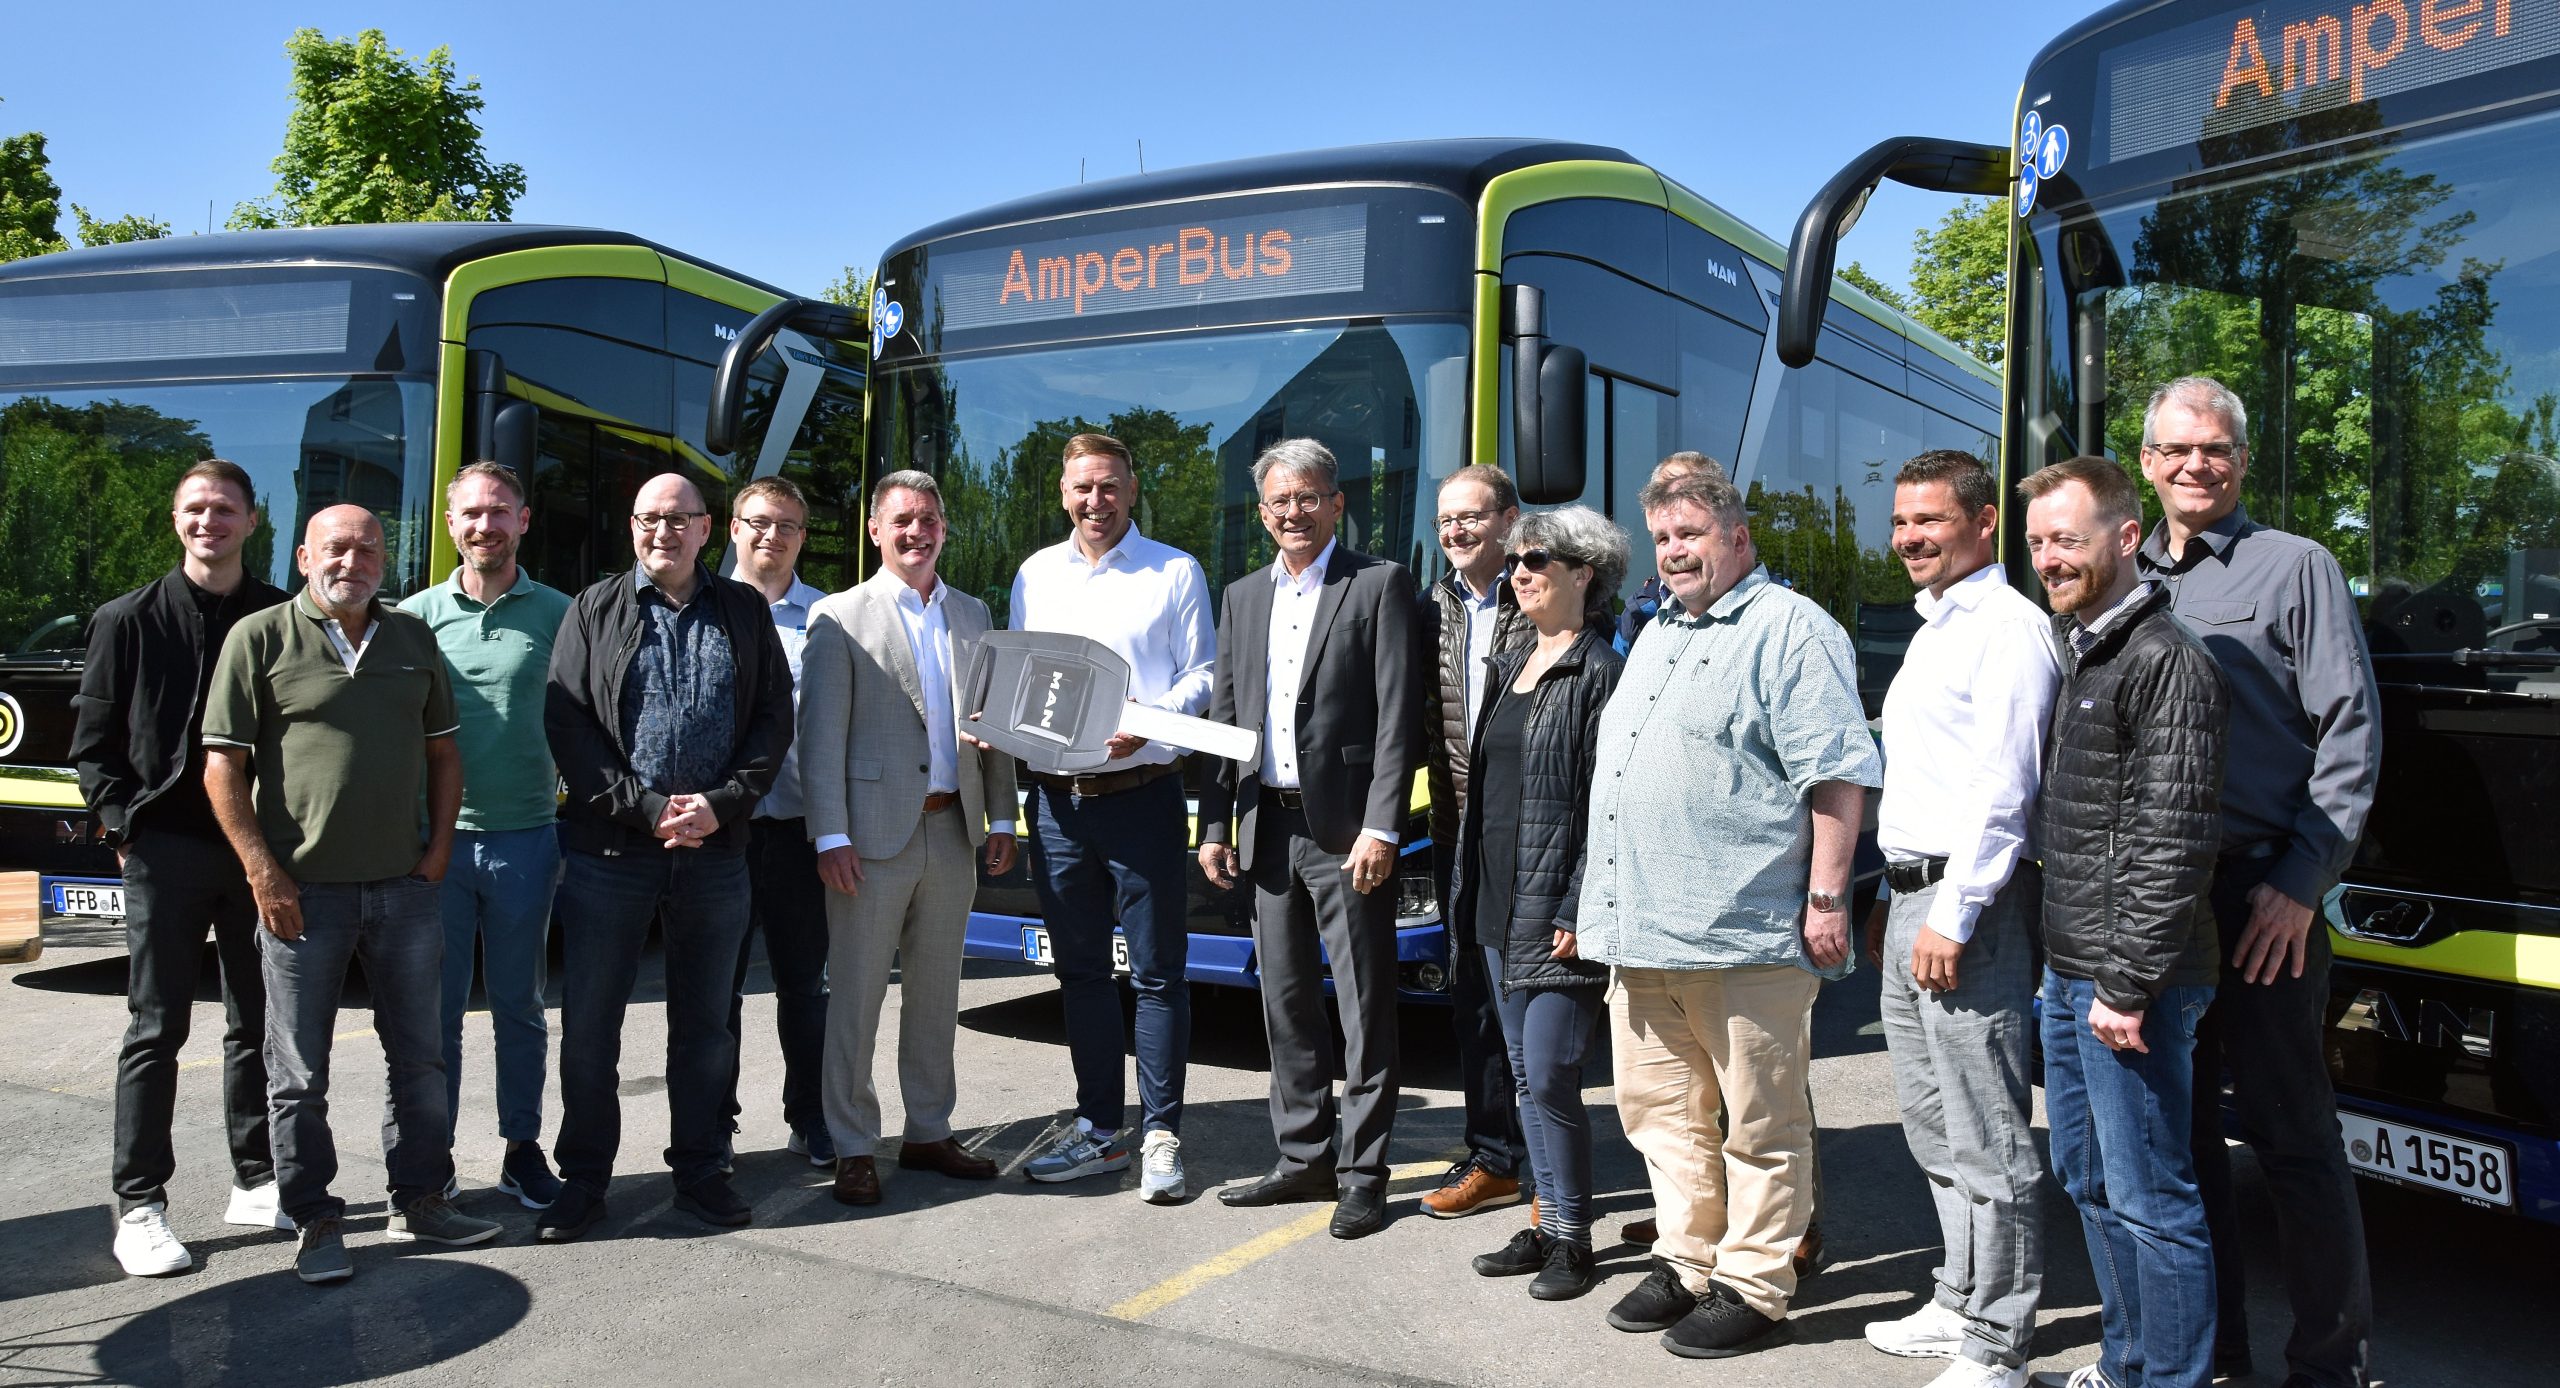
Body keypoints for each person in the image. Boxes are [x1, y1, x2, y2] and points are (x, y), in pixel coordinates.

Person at [1578, 459, 1880, 1360]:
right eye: (1664, 539)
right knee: (1661, 1115)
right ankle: (1689, 1257)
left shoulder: (1792, 631)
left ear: (1738, 539)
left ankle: (1755, 1280)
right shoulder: (1661, 632)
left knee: (1761, 1121)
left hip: (1743, 930)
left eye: (1691, 537)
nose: (1675, 553)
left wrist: (1828, 896)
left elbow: (1837, 774)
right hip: (1643, 930)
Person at [2134, 376, 2380, 1388]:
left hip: (2262, 898)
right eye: (2177, 448)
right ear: (2147, 461)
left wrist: (2298, 881)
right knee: (2181, 1143)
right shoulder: (2119, 570)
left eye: (2216, 446)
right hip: (2159, 905)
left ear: (2242, 457)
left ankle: (2330, 1363)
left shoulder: (2296, 568)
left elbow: (2350, 736)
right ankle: (2214, 1350)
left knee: (2292, 1138)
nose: (2197, 463)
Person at [202, 504, 499, 1284]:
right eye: (336, 547)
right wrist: (263, 872)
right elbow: (222, 768)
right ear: (304, 556)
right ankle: (316, 1217)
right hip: (303, 897)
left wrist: (437, 852)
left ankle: (422, 1199)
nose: (353, 560)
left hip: (404, 890)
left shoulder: (411, 638)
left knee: (421, 1059)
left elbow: (444, 754)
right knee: (299, 1073)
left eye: (369, 547)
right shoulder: (258, 639)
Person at [536, 472, 795, 1242]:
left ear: (706, 530)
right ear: (632, 525)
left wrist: (720, 805)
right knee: (589, 1027)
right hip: (611, 852)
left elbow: (773, 722)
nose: (663, 532)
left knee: (707, 1026)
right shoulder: (595, 608)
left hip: (717, 853)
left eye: (679, 519)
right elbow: (568, 723)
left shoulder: (744, 611)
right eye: (650, 518)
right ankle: (584, 1180)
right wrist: (646, 810)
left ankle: (701, 1170)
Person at [2019, 456, 2227, 1388]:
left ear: (2127, 537)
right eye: (2037, 543)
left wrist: (2126, 984)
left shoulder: (2165, 659)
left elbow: (2171, 839)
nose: (2049, 559)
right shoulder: (2084, 647)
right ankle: (2127, 1359)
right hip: (2072, 973)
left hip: (2129, 983)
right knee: (2090, 1180)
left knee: (2152, 1198)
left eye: (2067, 539)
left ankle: (2170, 1379)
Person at [1860, 452, 2059, 1388]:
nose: (1909, 539)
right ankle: (1959, 1298)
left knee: (1990, 1133)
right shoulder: (1938, 625)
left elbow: (2003, 789)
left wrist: (1953, 911)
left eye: (1930, 521)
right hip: (1911, 896)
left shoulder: (2008, 627)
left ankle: (2000, 1344)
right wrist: (1887, 896)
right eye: (1902, 522)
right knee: (1933, 1123)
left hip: (1964, 905)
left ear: (1984, 523)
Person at [73, 460, 291, 1276]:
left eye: (225, 509)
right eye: (197, 509)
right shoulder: (125, 620)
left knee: (255, 1023)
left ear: (251, 519)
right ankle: (140, 1204)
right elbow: (93, 745)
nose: (211, 522)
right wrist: (125, 829)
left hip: (255, 850)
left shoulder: (278, 616)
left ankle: (256, 1175)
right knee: (156, 1028)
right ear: (175, 519)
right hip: (163, 850)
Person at [1199, 437, 1419, 1241]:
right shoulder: (1242, 596)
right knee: (1285, 1004)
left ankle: (1364, 1174)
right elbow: (1227, 718)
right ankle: (1302, 1161)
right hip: (1267, 831)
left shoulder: (1379, 584)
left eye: (1308, 497)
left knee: (1363, 1009)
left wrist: (1382, 826)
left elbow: (1399, 719)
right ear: (1262, 515)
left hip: (1347, 836)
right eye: (1278, 502)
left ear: (1335, 503)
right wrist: (1215, 824)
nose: (1293, 512)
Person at [800, 470, 1018, 1207]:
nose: (916, 532)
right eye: (901, 520)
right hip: (868, 839)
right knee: (857, 999)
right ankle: (853, 1143)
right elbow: (820, 737)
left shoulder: (972, 612)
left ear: (944, 528)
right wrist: (829, 835)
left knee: (935, 995)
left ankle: (928, 1129)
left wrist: (1004, 816)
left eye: (928, 519)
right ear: (874, 530)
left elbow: (994, 728)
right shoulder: (837, 616)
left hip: (952, 831)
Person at [1009, 434, 1215, 1202]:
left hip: (1143, 797)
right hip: (1057, 807)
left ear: (1131, 491)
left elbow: (1203, 674)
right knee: (1082, 974)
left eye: (1108, 487)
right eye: (1081, 489)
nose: (1094, 501)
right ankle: (1100, 1130)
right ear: (1064, 495)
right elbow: (1025, 681)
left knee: (1160, 976)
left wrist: (1151, 720)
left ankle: (1161, 1135)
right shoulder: (1034, 575)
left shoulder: (1174, 570)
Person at [1448, 505, 1625, 1299]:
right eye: (1516, 559)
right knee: (1523, 1076)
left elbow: (1607, 803)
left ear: (1583, 573)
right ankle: (1545, 1220)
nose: (1519, 571)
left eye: (1538, 560)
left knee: (1551, 1077)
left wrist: (1580, 905)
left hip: (1554, 906)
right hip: (1493, 894)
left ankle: (1573, 1243)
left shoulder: (1599, 671)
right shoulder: (1515, 652)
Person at [397, 462, 572, 1211]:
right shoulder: (412, 618)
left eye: (499, 512)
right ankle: (431, 1161)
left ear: (523, 521)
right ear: (449, 524)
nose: (485, 526)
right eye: (471, 513)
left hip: (528, 837)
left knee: (520, 1006)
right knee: (433, 1017)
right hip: (434, 846)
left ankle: (521, 1148)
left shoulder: (562, 614)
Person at [1415, 463, 1533, 1221]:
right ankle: (1495, 1158)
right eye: (1446, 520)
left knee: (1531, 1007)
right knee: (1474, 1005)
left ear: (1510, 519)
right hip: (1458, 832)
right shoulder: (1430, 608)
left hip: (1530, 836)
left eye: (1472, 517)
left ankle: (1549, 1172)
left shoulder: (1551, 595)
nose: (1456, 531)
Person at [720, 476, 836, 1170]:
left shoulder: (827, 618)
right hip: (718, 837)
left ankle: (811, 1116)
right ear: (733, 528)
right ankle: (715, 1124)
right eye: (760, 521)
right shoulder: (698, 607)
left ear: (802, 536)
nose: (773, 535)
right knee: (713, 994)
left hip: (795, 832)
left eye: (788, 525)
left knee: (804, 989)